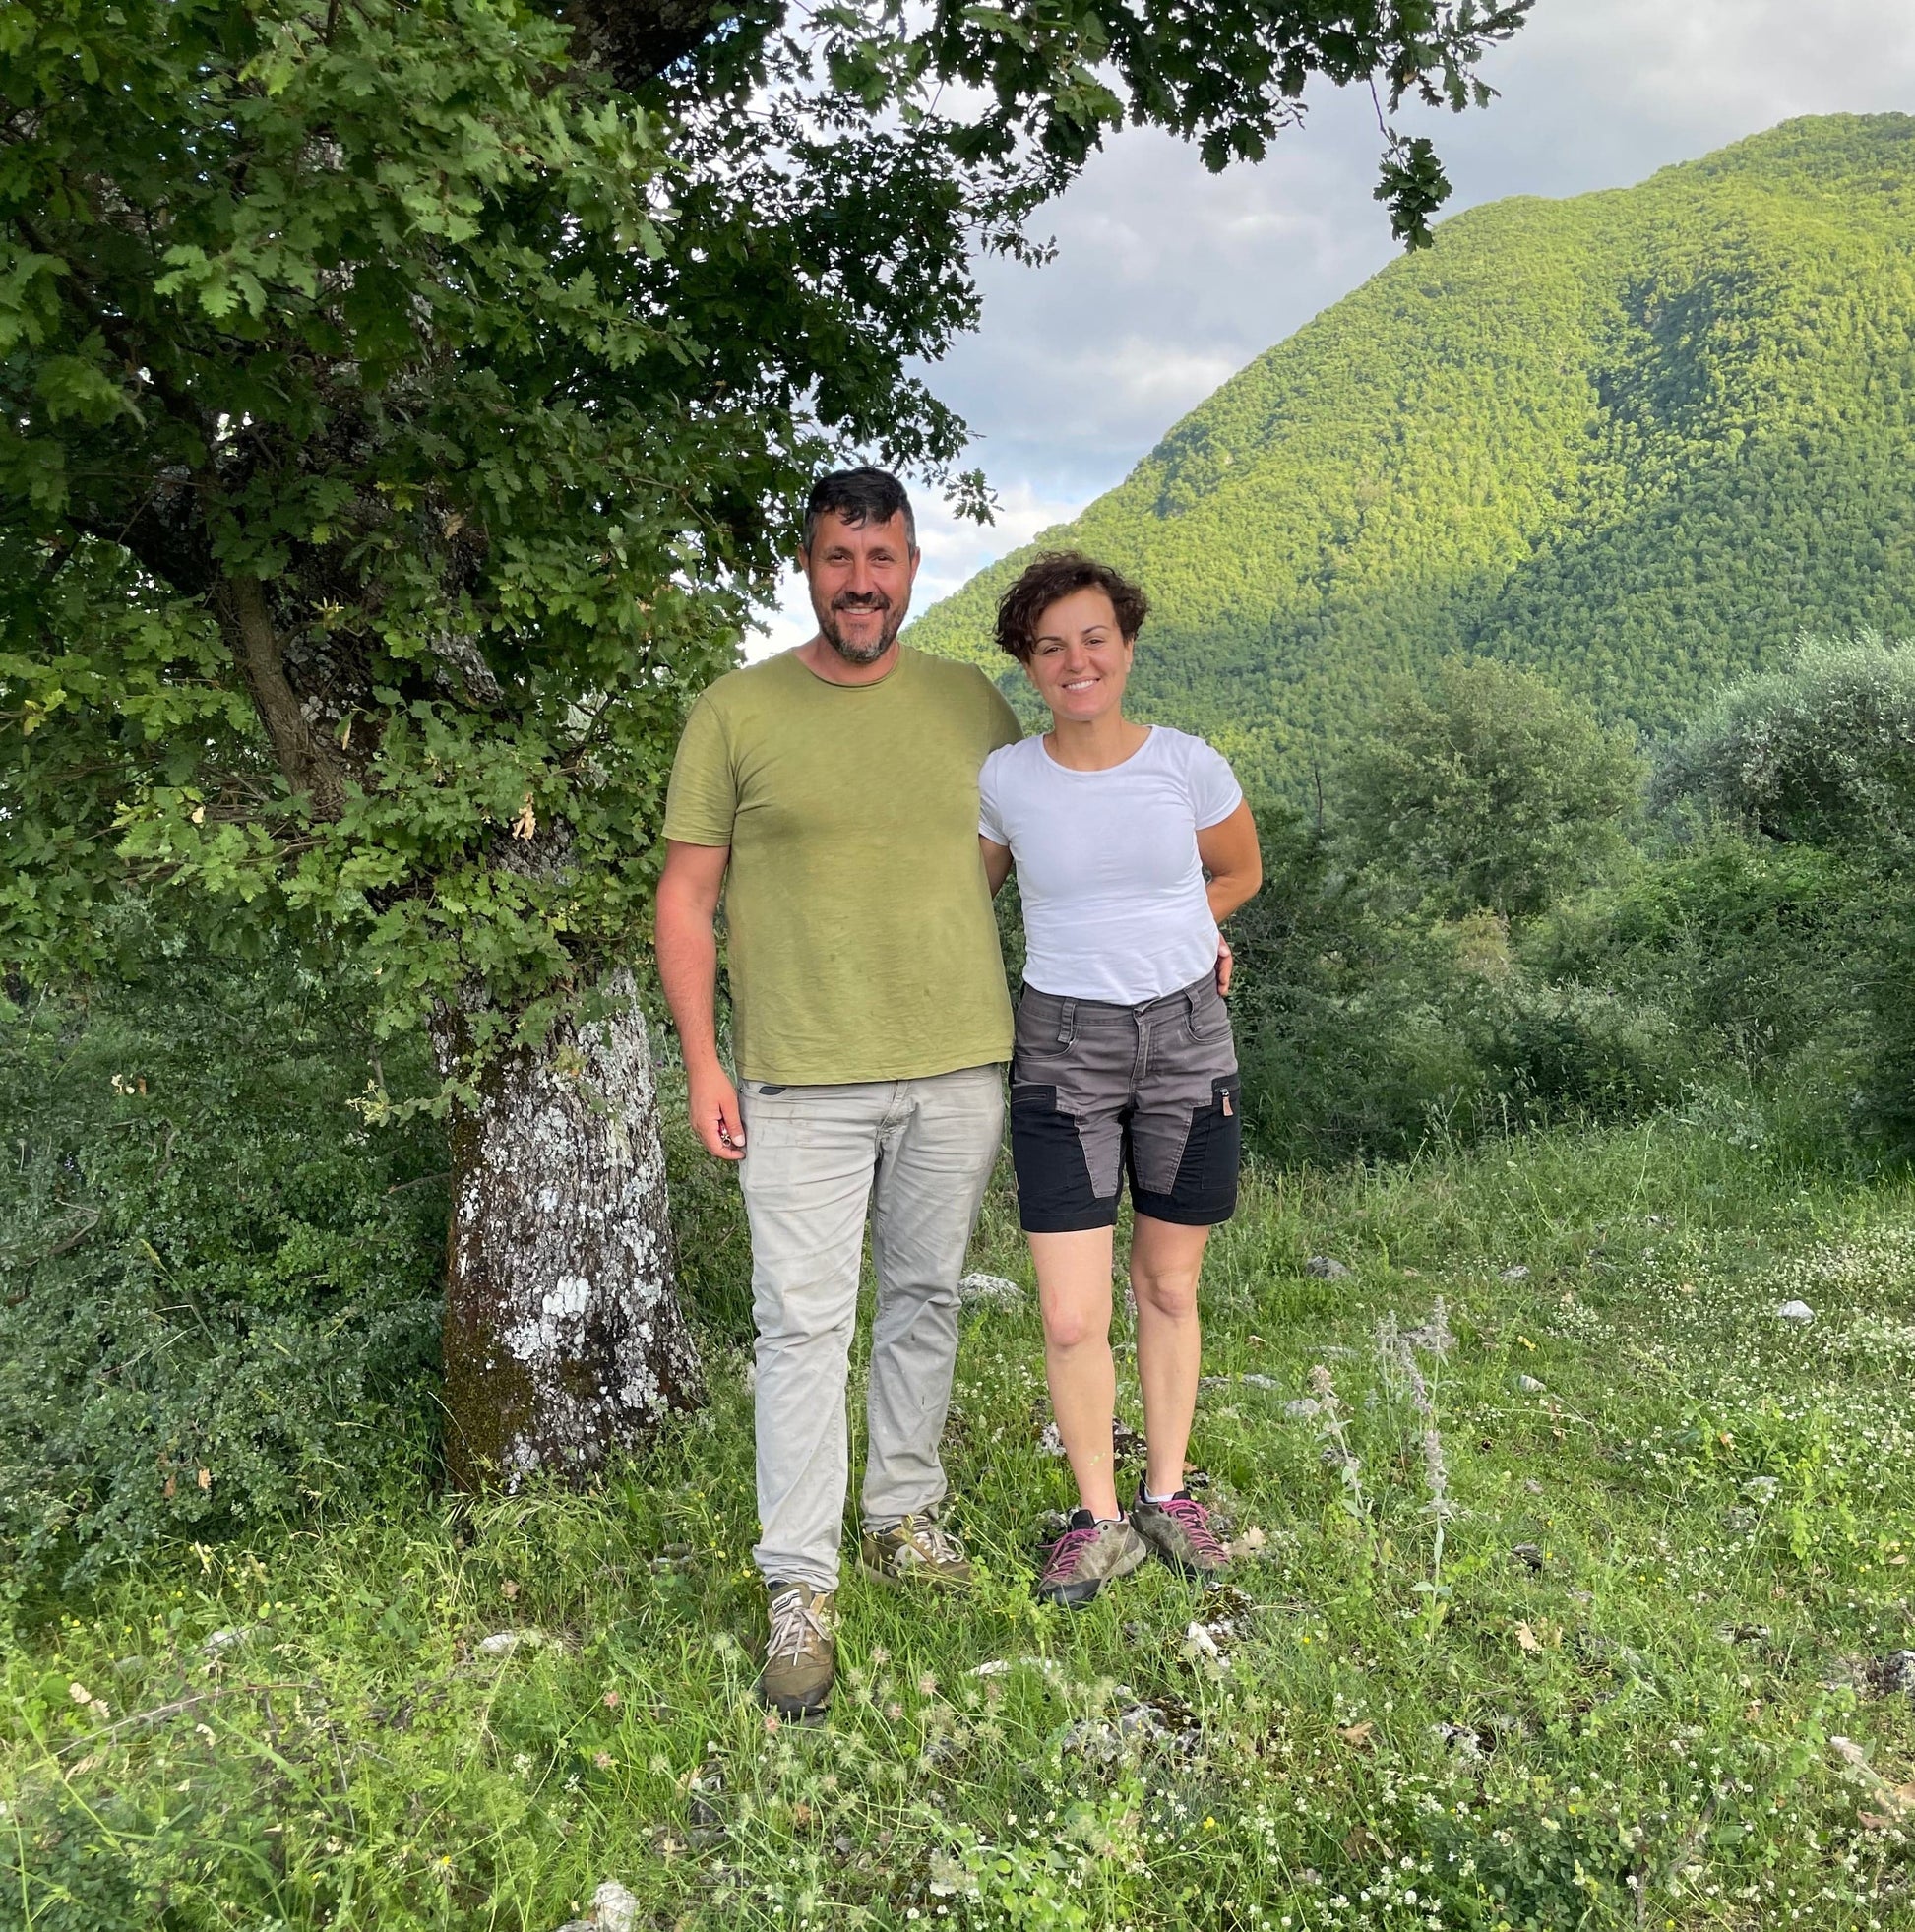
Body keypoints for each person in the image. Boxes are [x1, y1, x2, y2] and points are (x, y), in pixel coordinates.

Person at [654, 467, 1020, 1718]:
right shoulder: (735, 712)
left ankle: (902, 1514)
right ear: (805, 569)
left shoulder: (972, 702)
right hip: (798, 1079)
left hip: (957, 1062)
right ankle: (798, 1587)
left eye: (883, 560)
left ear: (914, 566)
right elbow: (686, 897)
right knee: (801, 1329)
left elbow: (1021, 837)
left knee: (924, 1297)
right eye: (835, 560)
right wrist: (702, 1060)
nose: (860, 583)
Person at [978, 551, 1263, 1608]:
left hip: (1186, 1038)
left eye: (1092, 637)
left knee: (1169, 1284)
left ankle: (1168, 1494)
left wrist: (1198, 936)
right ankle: (1096, 1520)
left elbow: (1236, 871)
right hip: (1061, 1048)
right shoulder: (1005, 781)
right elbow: (965, 896)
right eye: (1049, 646)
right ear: (1026, 664)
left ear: (1127, 644)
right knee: (1066, 1315)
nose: (1075, 660)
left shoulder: (1186, 765)